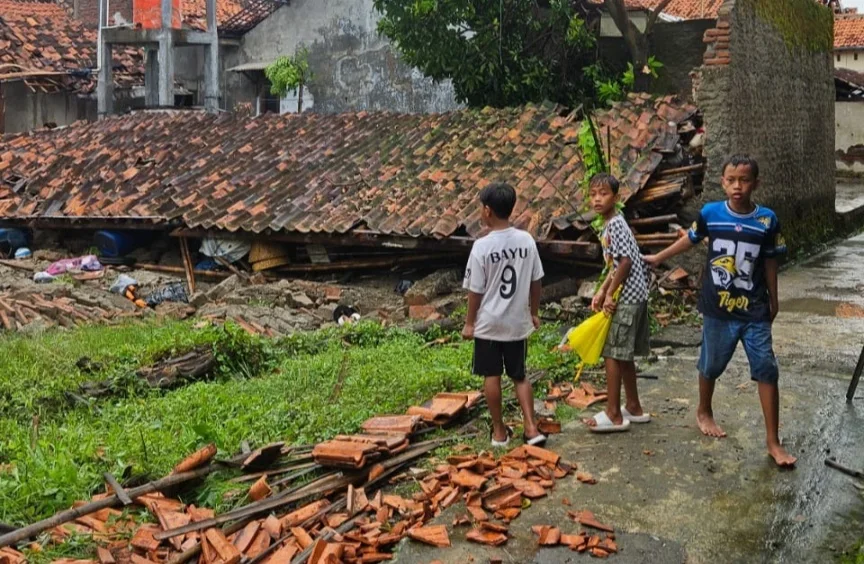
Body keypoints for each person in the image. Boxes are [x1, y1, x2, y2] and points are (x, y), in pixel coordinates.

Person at [644, 154, 796, 467]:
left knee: (766, 366)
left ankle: (772, 440)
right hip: (717, 307)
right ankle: (704, 410)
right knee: (711, 364)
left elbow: (770, 259)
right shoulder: (711, 213)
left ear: (756, 183)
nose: (737, 186)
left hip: (754, 307)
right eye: (731, 180)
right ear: (722, 182)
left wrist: (774, 298)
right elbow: (691, 239)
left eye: (744, 180)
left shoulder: (766, 219)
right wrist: (659, 258)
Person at [462, 182, 547, 447]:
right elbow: (536, 281)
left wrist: (469, 322)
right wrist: (533, 313)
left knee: (492, 375)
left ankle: (499, 432)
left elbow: (475, 290)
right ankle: (531, 428)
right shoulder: (526, 241)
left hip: (489, 324)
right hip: (517, 322)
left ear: (487, 211)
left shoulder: (481, 247)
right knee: (519, 375)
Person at [584, 173, 651, 433]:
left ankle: (613, 413)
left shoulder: (615, 225)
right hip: (631, 295)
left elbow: (625, 262)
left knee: (612, 352)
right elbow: (614, 264)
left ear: (616, 197)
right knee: (623, 355)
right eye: (593, 194)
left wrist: (610, 294)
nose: (597, 199)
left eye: (603, 194)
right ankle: (633, 406)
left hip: (628, 297)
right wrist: (602, 291)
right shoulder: (610, 224)